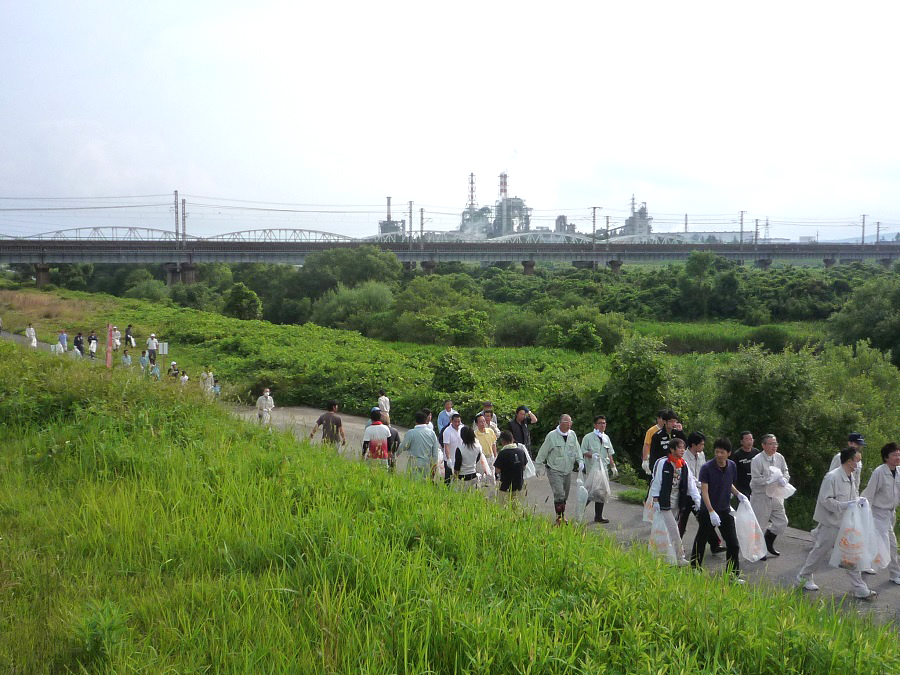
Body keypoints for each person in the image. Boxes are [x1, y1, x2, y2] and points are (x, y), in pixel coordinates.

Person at [797, 447, 876, 600]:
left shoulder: (851, 476)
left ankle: (860, 588)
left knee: (851, 554)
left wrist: (858, 503)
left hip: (846, 522)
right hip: (831, 522)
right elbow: (825, 500)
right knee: (820, 550)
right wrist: (845, 505)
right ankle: (804, 576)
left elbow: (853, 495)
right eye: (857, 461)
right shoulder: (832, 477)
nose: (859, 464)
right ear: (849, 461)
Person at [690, 437, 747, 582]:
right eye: (716, 452)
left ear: (728, 453)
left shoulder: (732, 466)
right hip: (708, 510)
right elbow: (704, 491)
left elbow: (729, 484)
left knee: (733, 544)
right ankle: (695, 567)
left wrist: (739, 494)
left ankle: (732, 574)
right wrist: (710, 511)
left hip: (724, 509)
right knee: (701, 540)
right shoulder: (707, 468)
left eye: (722, 452)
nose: (719, 455)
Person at [650, 437, 700, 565]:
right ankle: (679, 556)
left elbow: (690, 483)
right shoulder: (663, 463)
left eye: (684, 447)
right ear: (672, 449)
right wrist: (655, 499)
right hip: (665, 502)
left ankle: (663, 555)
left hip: (677, 502)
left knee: (667, 530)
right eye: (679, 447)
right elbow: (657, 481)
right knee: (673, 529)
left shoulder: (683, 464)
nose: (682, 450)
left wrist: (697, 499)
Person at [861, 442, 900, 585]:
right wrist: (863, 513)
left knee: (875, 543)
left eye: (899, 454)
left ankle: (864, 564)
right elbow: (869, 493)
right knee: (891, 544)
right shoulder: (879, 472)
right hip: (878, 513)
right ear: (885, 457)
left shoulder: (899, 472)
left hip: (891, 513)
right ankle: (895, 574)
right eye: (894, 455)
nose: (897, 457)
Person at [680, 431, 724, 553]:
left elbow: (704, 470)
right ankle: (676, 547)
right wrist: (702, 483)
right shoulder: (684, 457)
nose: (702, 447)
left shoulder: (701, 455)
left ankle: (715, 544)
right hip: (686, 493)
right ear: (693, 445)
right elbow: (688, 476)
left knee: (704, 519)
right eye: (701, 444)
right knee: (681, 522)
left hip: (699, 493)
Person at [535, 414, 582, 525]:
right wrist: (537, 465)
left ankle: (562, 515)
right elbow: (543, 451)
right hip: (554, 469)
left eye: (570, 422)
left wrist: (580, 460)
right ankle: (559, 518)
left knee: (565, 495)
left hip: (567, 470)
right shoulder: (552, 436)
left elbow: (576, 448)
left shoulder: (572, 435)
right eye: (567, 422)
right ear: (561, 422)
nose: (569, 424)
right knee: (559, 494)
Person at [750, 433, 790, 559]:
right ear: (763, 445)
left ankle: (768, 541)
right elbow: (755, 479)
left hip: (776, 495)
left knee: (782, 522)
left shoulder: (779, 457)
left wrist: (784, 479)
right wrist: (769, 480)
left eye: (775, 443)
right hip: (761, 496)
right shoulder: (757, 460)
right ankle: (758, 551)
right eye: (771, 444)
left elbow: (786, 472)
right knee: (760, 525)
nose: (774, 446)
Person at [581, 415, 618, 523]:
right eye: (600, 423)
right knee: (590, 491)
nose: (603, 425)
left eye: (604, 423)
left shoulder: (606, 438)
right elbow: (583, 451)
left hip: (603, 469)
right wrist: (591, 455)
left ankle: (598, 516)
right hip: (592, 468)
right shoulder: (588, 437)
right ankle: (580, 511)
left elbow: (609, 453)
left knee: (601, 492)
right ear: (595, 425)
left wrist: (613, 466)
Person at [397, 410, 443, 480]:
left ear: (415, 421)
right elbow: (435, 451)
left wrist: (397, 453)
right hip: (426, 462)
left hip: (413, 461)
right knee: (424, 483)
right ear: (425, 420)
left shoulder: (411, 433)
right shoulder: (432, 433)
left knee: (412, 482)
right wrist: (434, 464)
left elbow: (403, 446)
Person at [647, 410, 686, 476]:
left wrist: (681, 432)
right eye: (670, 421)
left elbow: (685, 445)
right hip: (663, 464)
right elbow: (653, 453)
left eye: (675, 421)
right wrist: (653, 468)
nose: (673, 423)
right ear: (665, 422)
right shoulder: (657, 435)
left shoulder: (677, 433)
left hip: (677, 464)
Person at [494, 430, 528, 504]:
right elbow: (524, 466)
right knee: (516, 507)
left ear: (503, 441)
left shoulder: (502, 453)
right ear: (512, 439)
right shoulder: (521, 452)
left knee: (503, 508)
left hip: (505, 486)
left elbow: (497, 470)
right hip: (518, 484)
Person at [731, 431, 759, 497]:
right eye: (746, 439)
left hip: (755, 484)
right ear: (741, 442)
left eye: (751, 439)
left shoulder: (756, 452)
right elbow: (734, 472)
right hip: (742, 486)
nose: (749, 442)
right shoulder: (737, 454)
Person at [641, 409, 668, 475]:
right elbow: (647, 445)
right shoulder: (651, 431)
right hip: (654, 457)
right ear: (658, 419)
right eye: (662, 419)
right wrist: (645, 460)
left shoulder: (670, 430)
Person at [441, 413, 464, 485]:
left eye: (458, 421)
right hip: (450, 457)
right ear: (451, 421)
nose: (457, 423)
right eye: (455, 421)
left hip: (459, 457)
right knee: (448, 477)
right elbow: (446, 445)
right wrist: (448, 459)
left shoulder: (462, 428)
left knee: (458, 477)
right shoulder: (447, 431)